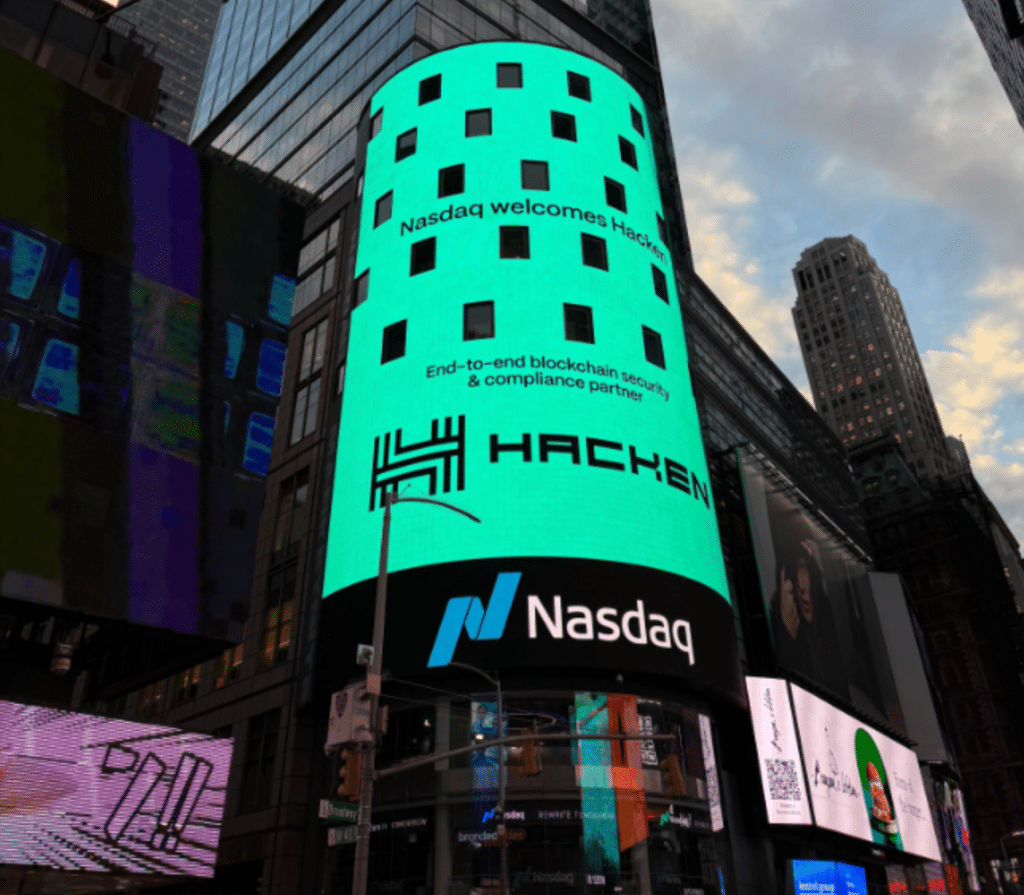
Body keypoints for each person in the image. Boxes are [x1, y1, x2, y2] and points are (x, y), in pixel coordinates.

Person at [769, 512, 849, 699]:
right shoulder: (778, 618)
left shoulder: (829, 622)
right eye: (795, 568)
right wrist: (788, 637)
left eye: (805, 566)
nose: (802, 588)